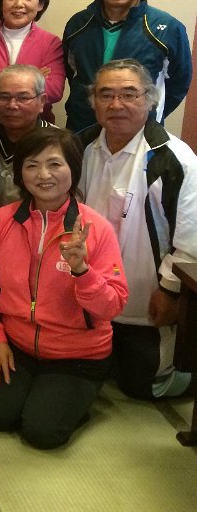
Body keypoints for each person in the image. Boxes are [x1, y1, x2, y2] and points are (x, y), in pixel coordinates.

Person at [0, 127, 128, 449]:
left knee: (41, 433)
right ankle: (39, 393)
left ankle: (73, 399)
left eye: (55, 164)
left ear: (73, 168)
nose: (43, 175)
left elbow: (112, 306)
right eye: (32, 165)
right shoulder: (2, 221)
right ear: (20, 172)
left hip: (77, 356)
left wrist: (82, 271)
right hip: (17, 346)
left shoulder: (95, 228)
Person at [80, 59, 197, 399]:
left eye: (129, 94)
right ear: (93, 101)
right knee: (93, 373)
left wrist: (171, 291)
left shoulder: (174, 158)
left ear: (150, 99)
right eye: (106, 94)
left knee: (143, 385)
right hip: (94, 292)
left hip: (147, 298)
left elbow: (190, 236)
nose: (116, 104)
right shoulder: (82, 146)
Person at [62, 0, 192, 131]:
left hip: (140, 131)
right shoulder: (78, 24)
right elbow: (72, 74)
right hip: (82, 129)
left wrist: (148, 111)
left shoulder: (167, 28)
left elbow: (179, 82)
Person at [0, 65, 52, 207]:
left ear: (42, 101)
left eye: (23, 98)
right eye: (4, 97)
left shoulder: (59, 144)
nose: (12, 105)